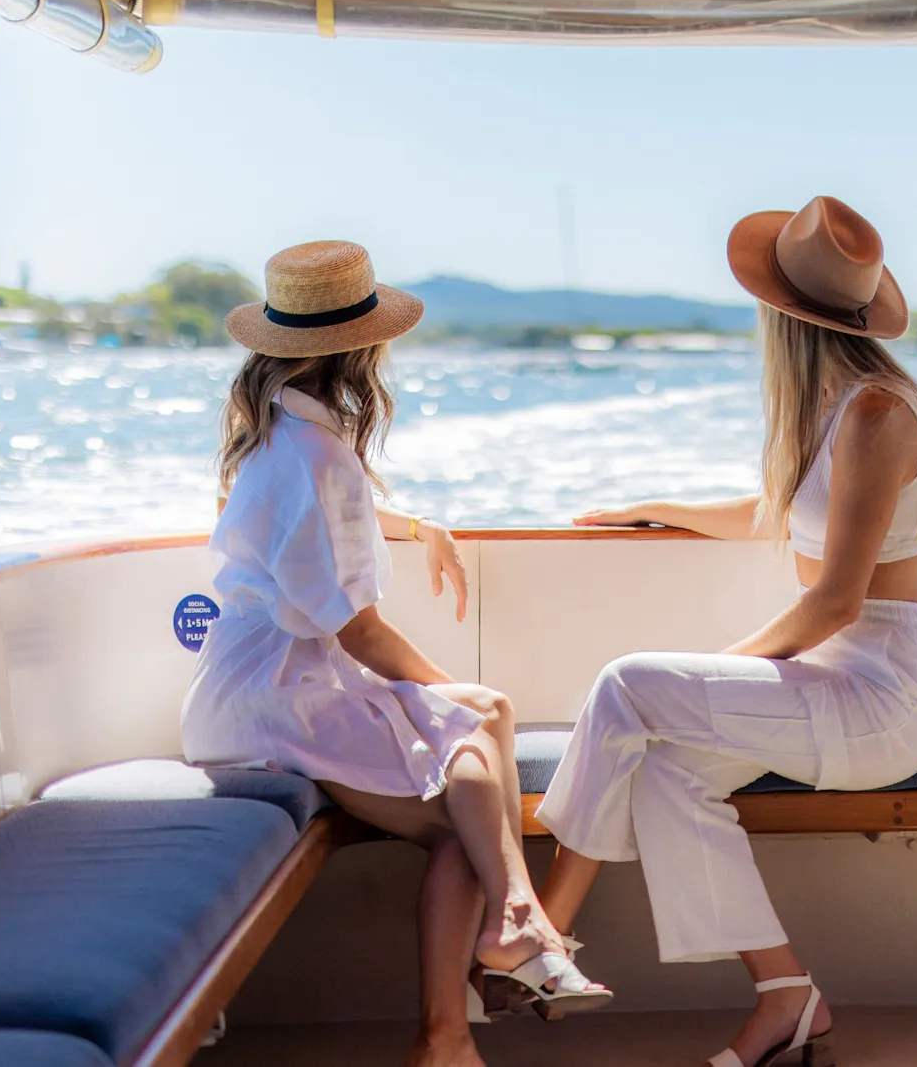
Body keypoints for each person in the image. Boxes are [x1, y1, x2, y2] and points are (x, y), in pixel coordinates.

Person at [535, 197, 917, 1067]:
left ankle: (538, 934)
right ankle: (788, 999)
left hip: (883, 695)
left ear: (782, 317)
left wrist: (699, 679)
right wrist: (654, 508)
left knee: (629, 685)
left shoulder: (879, 416)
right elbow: (775, 511)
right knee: (667, 773)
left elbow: (837, 600)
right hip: (835, 686)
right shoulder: (836, 409)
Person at [181, 241, 609, 1067]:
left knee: (465, 811)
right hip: (280, 695)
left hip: (250, 687)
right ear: (363, 351)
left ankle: (448, 1034)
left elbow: (307, 536)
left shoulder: (276, 437)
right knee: (475, 717)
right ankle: (519, 926)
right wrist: (445, 699)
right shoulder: (319, 457)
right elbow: (359, 631)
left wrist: (413, 523)